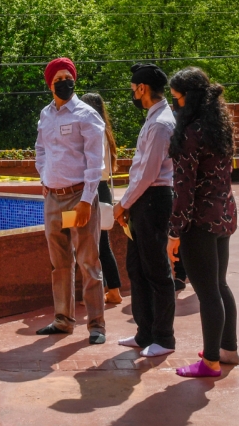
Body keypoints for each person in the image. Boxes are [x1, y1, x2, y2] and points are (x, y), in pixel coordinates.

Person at [163, 67, 239, 379]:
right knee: (219, 285)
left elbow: (183, 190)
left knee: (207, 291)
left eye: (177, 100)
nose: (174, 106)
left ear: (189, 100)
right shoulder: (218, 129)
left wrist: (174, 233)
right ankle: (228, 350)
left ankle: (209, 362)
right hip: (224, 215)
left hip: (199, 222)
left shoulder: (190, 135)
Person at [34, 58, 107, 344]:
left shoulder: (87, 114)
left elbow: (95, 162)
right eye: (58, 79)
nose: (65, 82)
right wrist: (45, 175)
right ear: (50, 85)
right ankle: (62, 320)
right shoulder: (46, 114)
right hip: (53, 196)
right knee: (59, 263)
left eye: (68, 77)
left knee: (89, 262)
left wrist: (87, 200)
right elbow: (40, 148)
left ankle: (97, 325)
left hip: (79, 196)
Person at [113, 64, 177, 358]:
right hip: (142, 200)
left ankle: (164, 337)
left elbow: (149, 173)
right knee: (136, 269)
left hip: (153, 200)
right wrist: (128, 203)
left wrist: (123, 203)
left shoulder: (162, 123)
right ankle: (145, 333)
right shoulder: (154, 119)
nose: (133, 93)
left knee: (156, 271)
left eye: (133, 88)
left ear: (142, 89)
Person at [81, 92, 123, 306]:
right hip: (103, 188)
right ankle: (111, 288)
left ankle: (111, 290)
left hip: (92, 188)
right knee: (100, 244)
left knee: (94, 244)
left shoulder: (93, 131)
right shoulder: (105, 131)